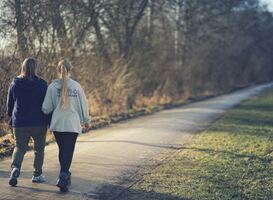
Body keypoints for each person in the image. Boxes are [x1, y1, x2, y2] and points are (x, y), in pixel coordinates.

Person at [42, 59, 91, 192]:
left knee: (63, 150)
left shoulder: (52, 87)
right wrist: (86, 120)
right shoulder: (76, 86)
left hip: (58, 124)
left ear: (58, 70)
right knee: (68, 151)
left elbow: (46, 108)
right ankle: (63, 176)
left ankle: (65, 175)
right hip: (72, 125)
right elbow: (83, 105)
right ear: (70, 70)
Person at [7, 58, 48, 186]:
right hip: (39, 122)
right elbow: (47, 104)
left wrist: (11, 118)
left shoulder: (15, 83)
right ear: (35, 68)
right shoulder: (42, 84)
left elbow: (10, 103)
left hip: (19, 121)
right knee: (39, 149)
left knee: (19, 147)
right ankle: (37, 174)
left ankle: (15, 168)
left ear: (23, 67)